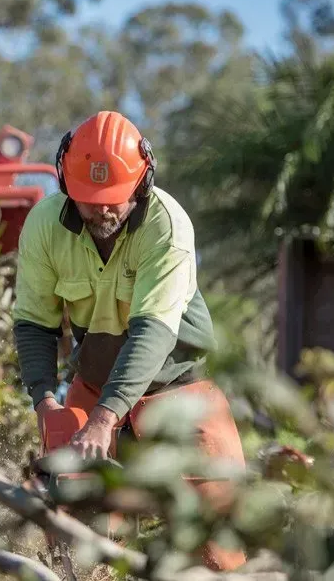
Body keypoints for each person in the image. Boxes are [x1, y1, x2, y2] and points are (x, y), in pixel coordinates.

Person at [12, 110, 246, 571]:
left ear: (141, 184)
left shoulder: (168, 227)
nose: (102, 210)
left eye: (113, 199)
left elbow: (152, 333)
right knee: (80, 536)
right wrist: (44, 401)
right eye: (88, 199)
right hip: (96, 382)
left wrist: (104, 420)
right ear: (66, 186)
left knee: (220, 538)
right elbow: (34, 323)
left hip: (176, 386)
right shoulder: (43, 225)